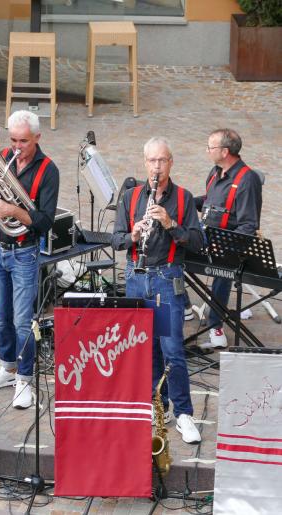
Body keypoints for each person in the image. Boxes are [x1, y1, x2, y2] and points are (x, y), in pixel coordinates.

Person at [111, 136, 203, 444]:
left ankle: (184, 413)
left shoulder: (183, 198)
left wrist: (171, 223)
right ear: (145, 162)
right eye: (152, 161)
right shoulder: (131, 196)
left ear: (171, 162)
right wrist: (133, 235)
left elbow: (197, 241)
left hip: (166, 278)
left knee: (172, 348)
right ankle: (156, 404)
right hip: (137, 277)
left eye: (162, 160)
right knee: (145, 347)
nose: (157, 166)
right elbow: (116, 240)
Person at [0, 110, 59, 410]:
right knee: (1, 318)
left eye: (23, 141)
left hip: (25, 252)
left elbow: (43, 222)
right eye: (12, 139)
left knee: (22, 322)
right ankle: (7, 367)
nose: (16, 147)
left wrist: (12, 211)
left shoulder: (48, 171)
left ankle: (25, 379)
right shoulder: (2, 158)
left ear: (37, 138)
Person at [196, 128, 262, 349]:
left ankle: (216, 325)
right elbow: (208, 200)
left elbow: (248, 226)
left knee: (223, 270)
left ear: (225, 152)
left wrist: (222, 245)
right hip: (206, 235)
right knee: (170, 245)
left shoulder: (247, 180)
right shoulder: (215, 172)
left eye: (210, 147)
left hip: (230, 245)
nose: (207, 150)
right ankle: (184, 306)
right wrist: (184, 201)